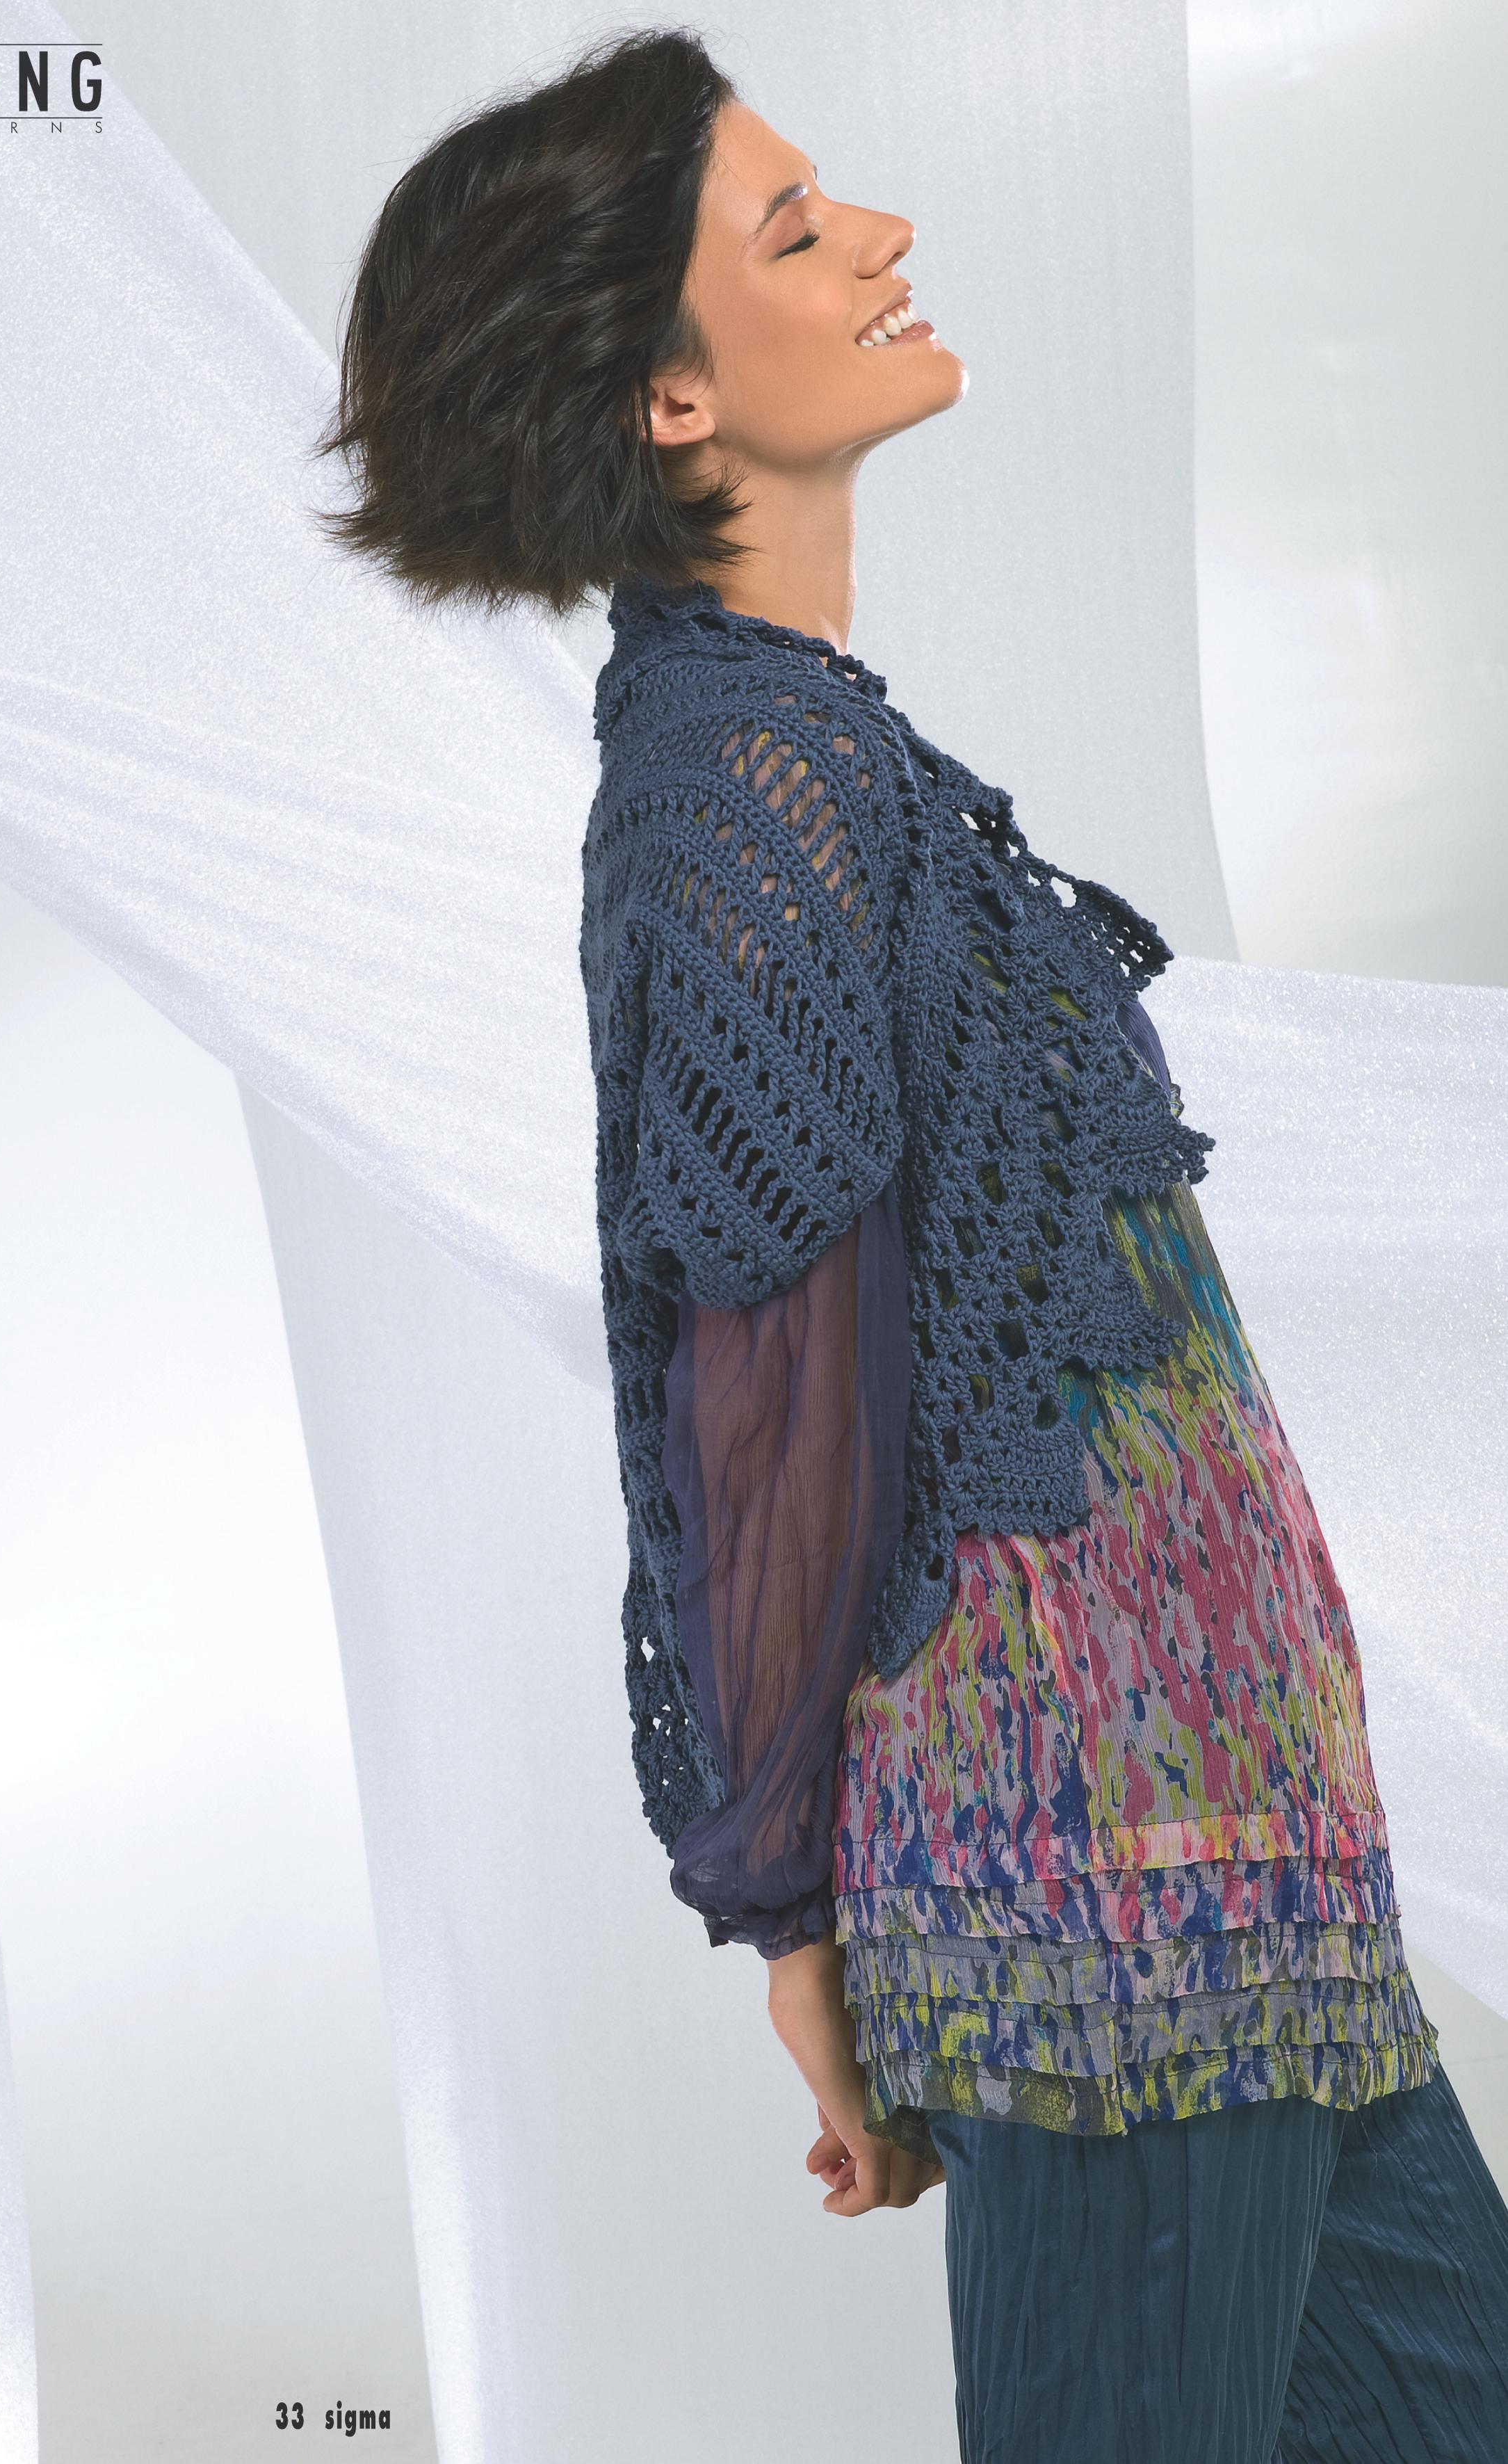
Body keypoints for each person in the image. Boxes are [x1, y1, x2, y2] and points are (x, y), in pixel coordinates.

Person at [315, 28, 1508, 2460]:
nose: (880, 238)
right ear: (670, 401)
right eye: (793, 229)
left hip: (1252, 1885)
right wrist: (789, 1913)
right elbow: (766, 1393)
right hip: (1103, 1910)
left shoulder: (823, 752)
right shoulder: (738, 794)